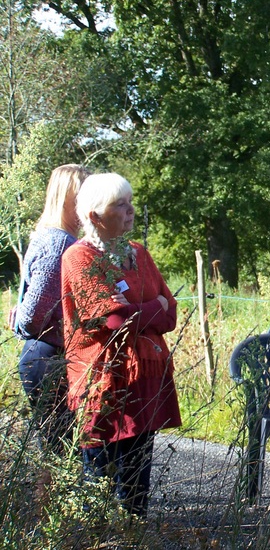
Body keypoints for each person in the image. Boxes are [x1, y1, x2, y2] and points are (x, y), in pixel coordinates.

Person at [61, 172, 181, 516]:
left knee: (136, 480)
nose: (131, 209)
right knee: (100, 480)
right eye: (120, 204)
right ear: (95, 216)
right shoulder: (79, 259)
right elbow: (111, 322)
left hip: (146, 378)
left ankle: (132, 534)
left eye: (130, 201)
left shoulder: (139, 253)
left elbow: (170, 313)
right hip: (103, 384)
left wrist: (138, 309)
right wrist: (151, 307)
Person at [14, 164, 90, 453]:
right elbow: (34, 313)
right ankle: (46, 500)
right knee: (57, 450)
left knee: (56, 447)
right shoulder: (61, 242)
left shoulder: (52, 236)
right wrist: (19, 324)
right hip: (47, 357)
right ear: (68, 199)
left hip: (47, 354)